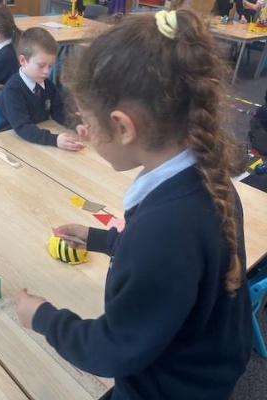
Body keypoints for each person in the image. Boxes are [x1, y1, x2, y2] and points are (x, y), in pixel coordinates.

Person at [17, 9, 253, 400]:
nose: (85, 132)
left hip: (166, 387)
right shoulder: (206, 177)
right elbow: (180, 265)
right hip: (201, 367)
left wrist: (43, 318)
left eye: (88, 122)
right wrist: (100, 240)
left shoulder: (164, 231)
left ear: (124, 127)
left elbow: (114, 349)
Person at [0, 27, 85, 152]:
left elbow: (59, 110)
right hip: (12, 144)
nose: (46, 71)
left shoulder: (47, 85)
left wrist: (76, 124)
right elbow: (22, 127)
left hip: (36, 141)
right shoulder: (12, 90)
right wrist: (54, 140)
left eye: (50, 66)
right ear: (23, 61)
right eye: (41, 65)